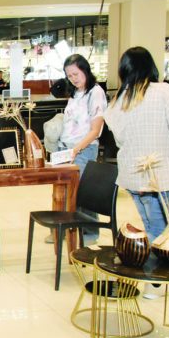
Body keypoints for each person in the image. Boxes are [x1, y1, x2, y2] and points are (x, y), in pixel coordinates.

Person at [104, 46, 169, 242]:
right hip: (158, 178)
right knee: (162, 237)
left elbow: (119, 140)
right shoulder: (164, 91)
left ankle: (148, 266)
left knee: (152, 229)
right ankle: (153, 271)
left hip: (133, 176)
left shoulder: (119, 99)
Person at [47, 54, 107, 246]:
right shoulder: (75, 94)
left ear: (85, 70)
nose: (73, 78)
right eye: (69, 75)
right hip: (65, 148)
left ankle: (89, 232)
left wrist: (77, 149)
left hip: (84, 149)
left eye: (76, 73)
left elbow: (95, 130)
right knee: (62, 190)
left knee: (81, 192)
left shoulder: (95, 93)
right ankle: (61, 229)